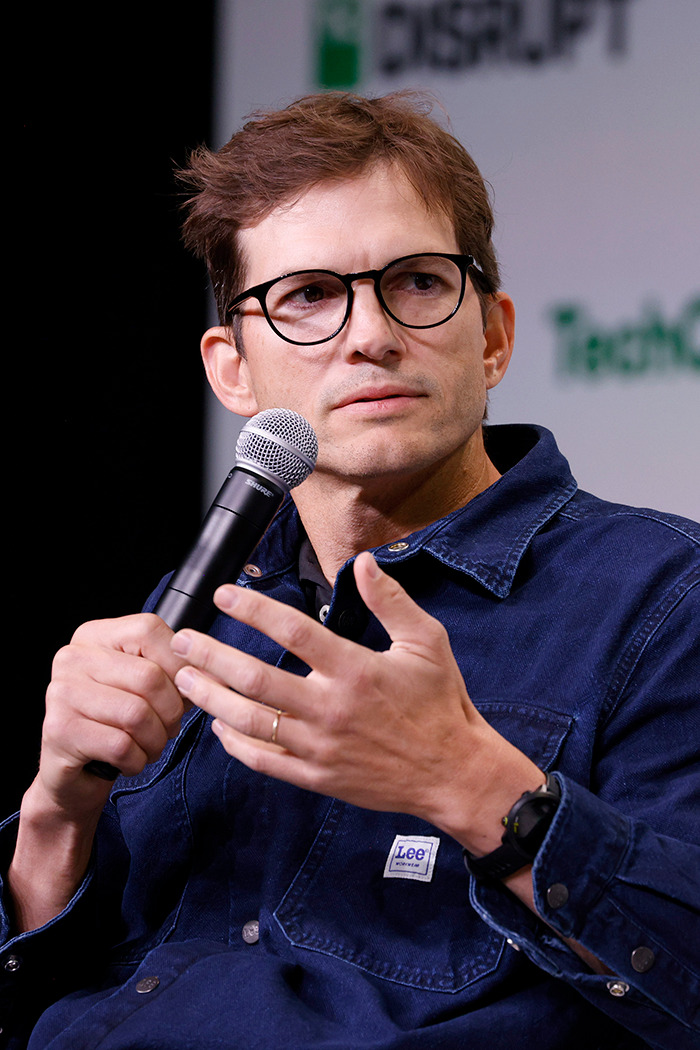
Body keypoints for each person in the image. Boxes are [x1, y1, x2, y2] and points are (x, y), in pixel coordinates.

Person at [1, 92, 698, 1050]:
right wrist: (55, 814)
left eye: (416, 281)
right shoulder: (194, 615)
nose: (369, 334)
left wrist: (471, 784)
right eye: (308, 297)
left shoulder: (664, 597)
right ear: (232, 369)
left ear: (492, 337)